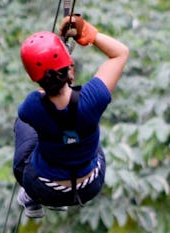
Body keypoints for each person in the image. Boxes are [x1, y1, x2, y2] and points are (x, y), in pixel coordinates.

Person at [13, 15, 129, 218]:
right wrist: (88, 33)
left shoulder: (31, 107)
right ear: (71, 72)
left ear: (37, 81)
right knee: (86, 132)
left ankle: (33, 200)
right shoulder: (94, 98)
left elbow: (42, 100)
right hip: (89, 186)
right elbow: (121, 53)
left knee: (25, 126)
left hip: (44, 187)